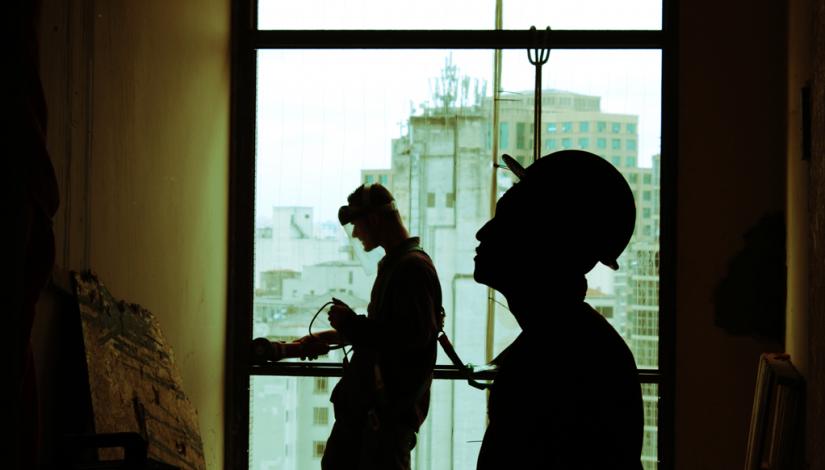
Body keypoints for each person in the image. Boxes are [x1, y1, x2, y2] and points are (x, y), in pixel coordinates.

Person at [473, 150, 644, 469]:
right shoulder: (578, 346)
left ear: (546, 240)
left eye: (507, 220)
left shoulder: (553, 361)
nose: (483, 233)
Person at [295, 183, 442, 470]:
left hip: (382, 424)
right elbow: (384, 333)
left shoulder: (411, 269)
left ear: (373, 220)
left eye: (356, 224)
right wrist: (329, 336)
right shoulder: (399, 265)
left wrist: (350, 323)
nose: (355, 233)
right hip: (372, 420)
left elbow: (408, 338)